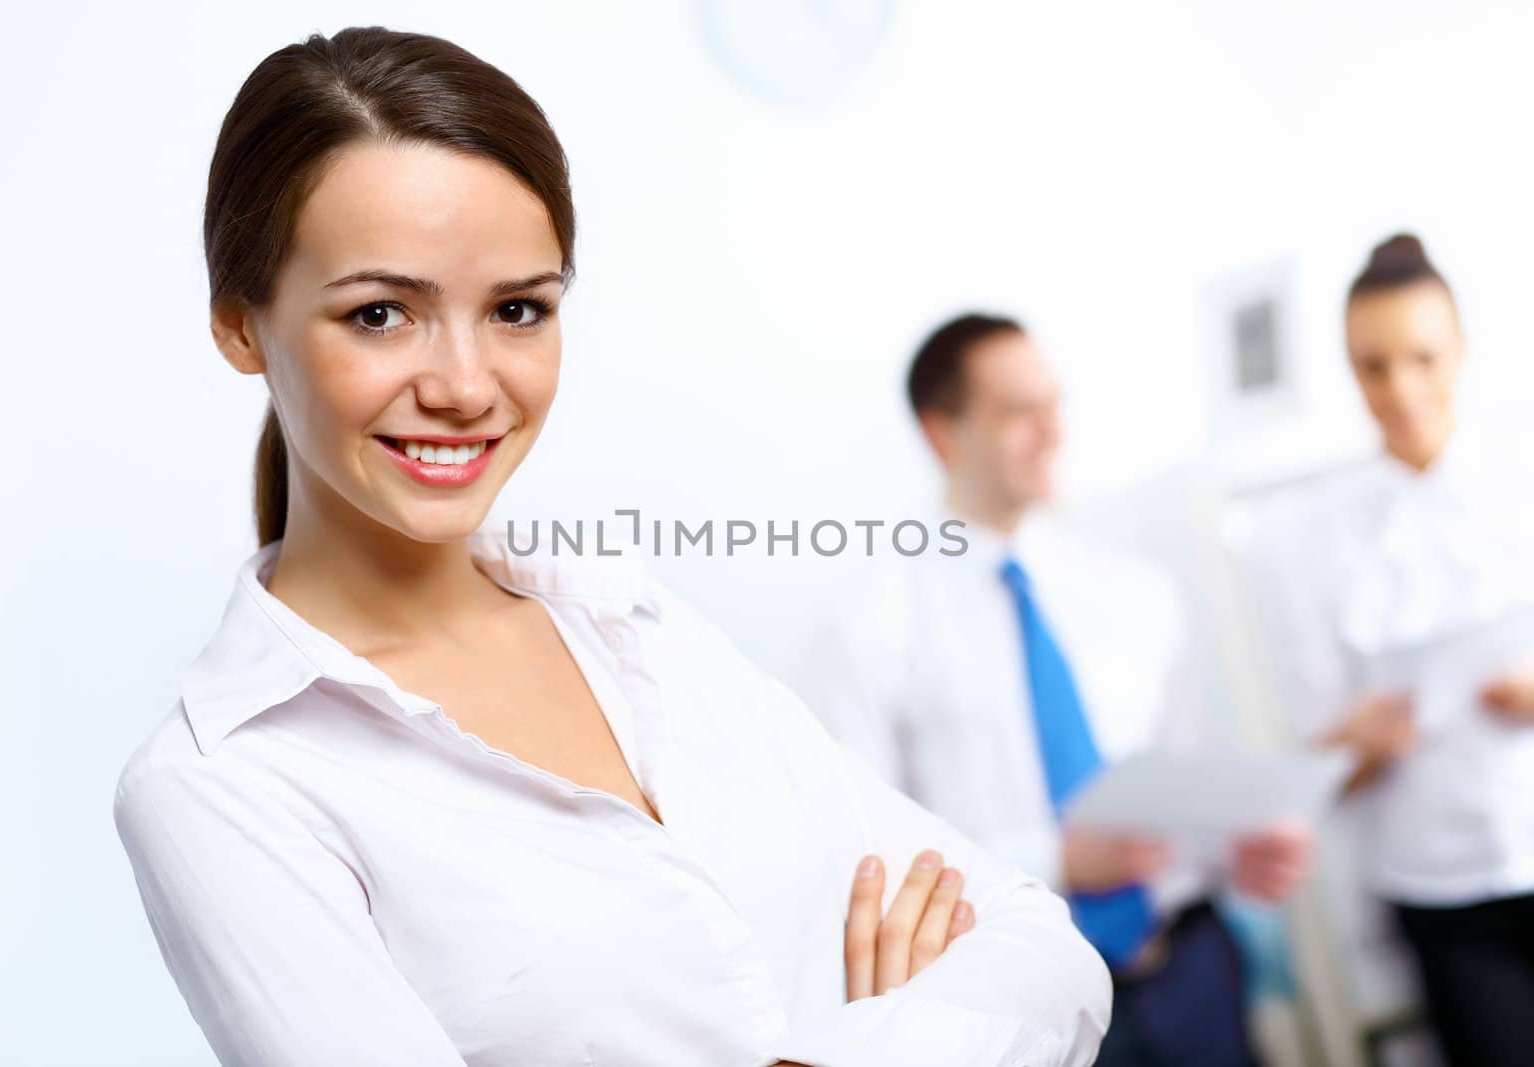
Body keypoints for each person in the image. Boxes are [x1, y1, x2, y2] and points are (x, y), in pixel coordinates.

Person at [109, 27, 1111, 1067]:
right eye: (380, 313)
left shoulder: (635, 624)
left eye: (516, 309)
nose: (463, 384)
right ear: (240, 325)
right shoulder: (220, 785)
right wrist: (895, 1036)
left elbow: (1047, 953)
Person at [806, 313, 1310, 1066]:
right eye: (1017, 412)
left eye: (1053, 404)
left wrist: (1230, 846)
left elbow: (1184, 778)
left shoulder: (1133, 592)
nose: (1051, 431)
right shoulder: (875, 627)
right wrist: (1059, 859)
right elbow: (864, 856)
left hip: (1193, 970)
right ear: (941, 431)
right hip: (1023, 1009)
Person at [1245, 234, 1534, 1066]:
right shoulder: (1308, 544)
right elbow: (1319, 759)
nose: (1400, 389)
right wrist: (1365, 741)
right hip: (1444, 895)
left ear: (1463, 351)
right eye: (1372, 367)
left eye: (1422, 358)